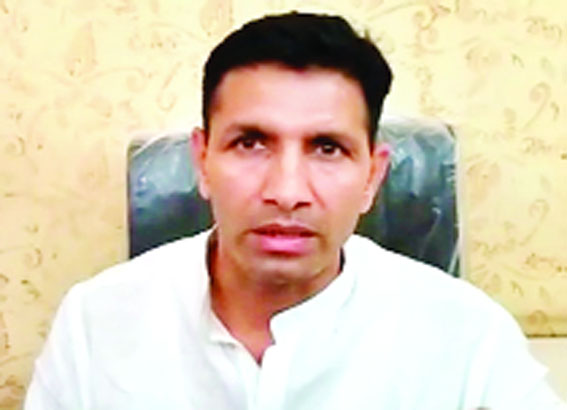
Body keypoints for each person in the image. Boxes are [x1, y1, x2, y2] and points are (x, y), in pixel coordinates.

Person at [25, 12, 565, 410]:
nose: (286, 192)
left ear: (372, 176)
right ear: (202, 160)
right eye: (250, 143)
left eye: (327, 148)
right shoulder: (95, 324)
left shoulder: (468, 337)